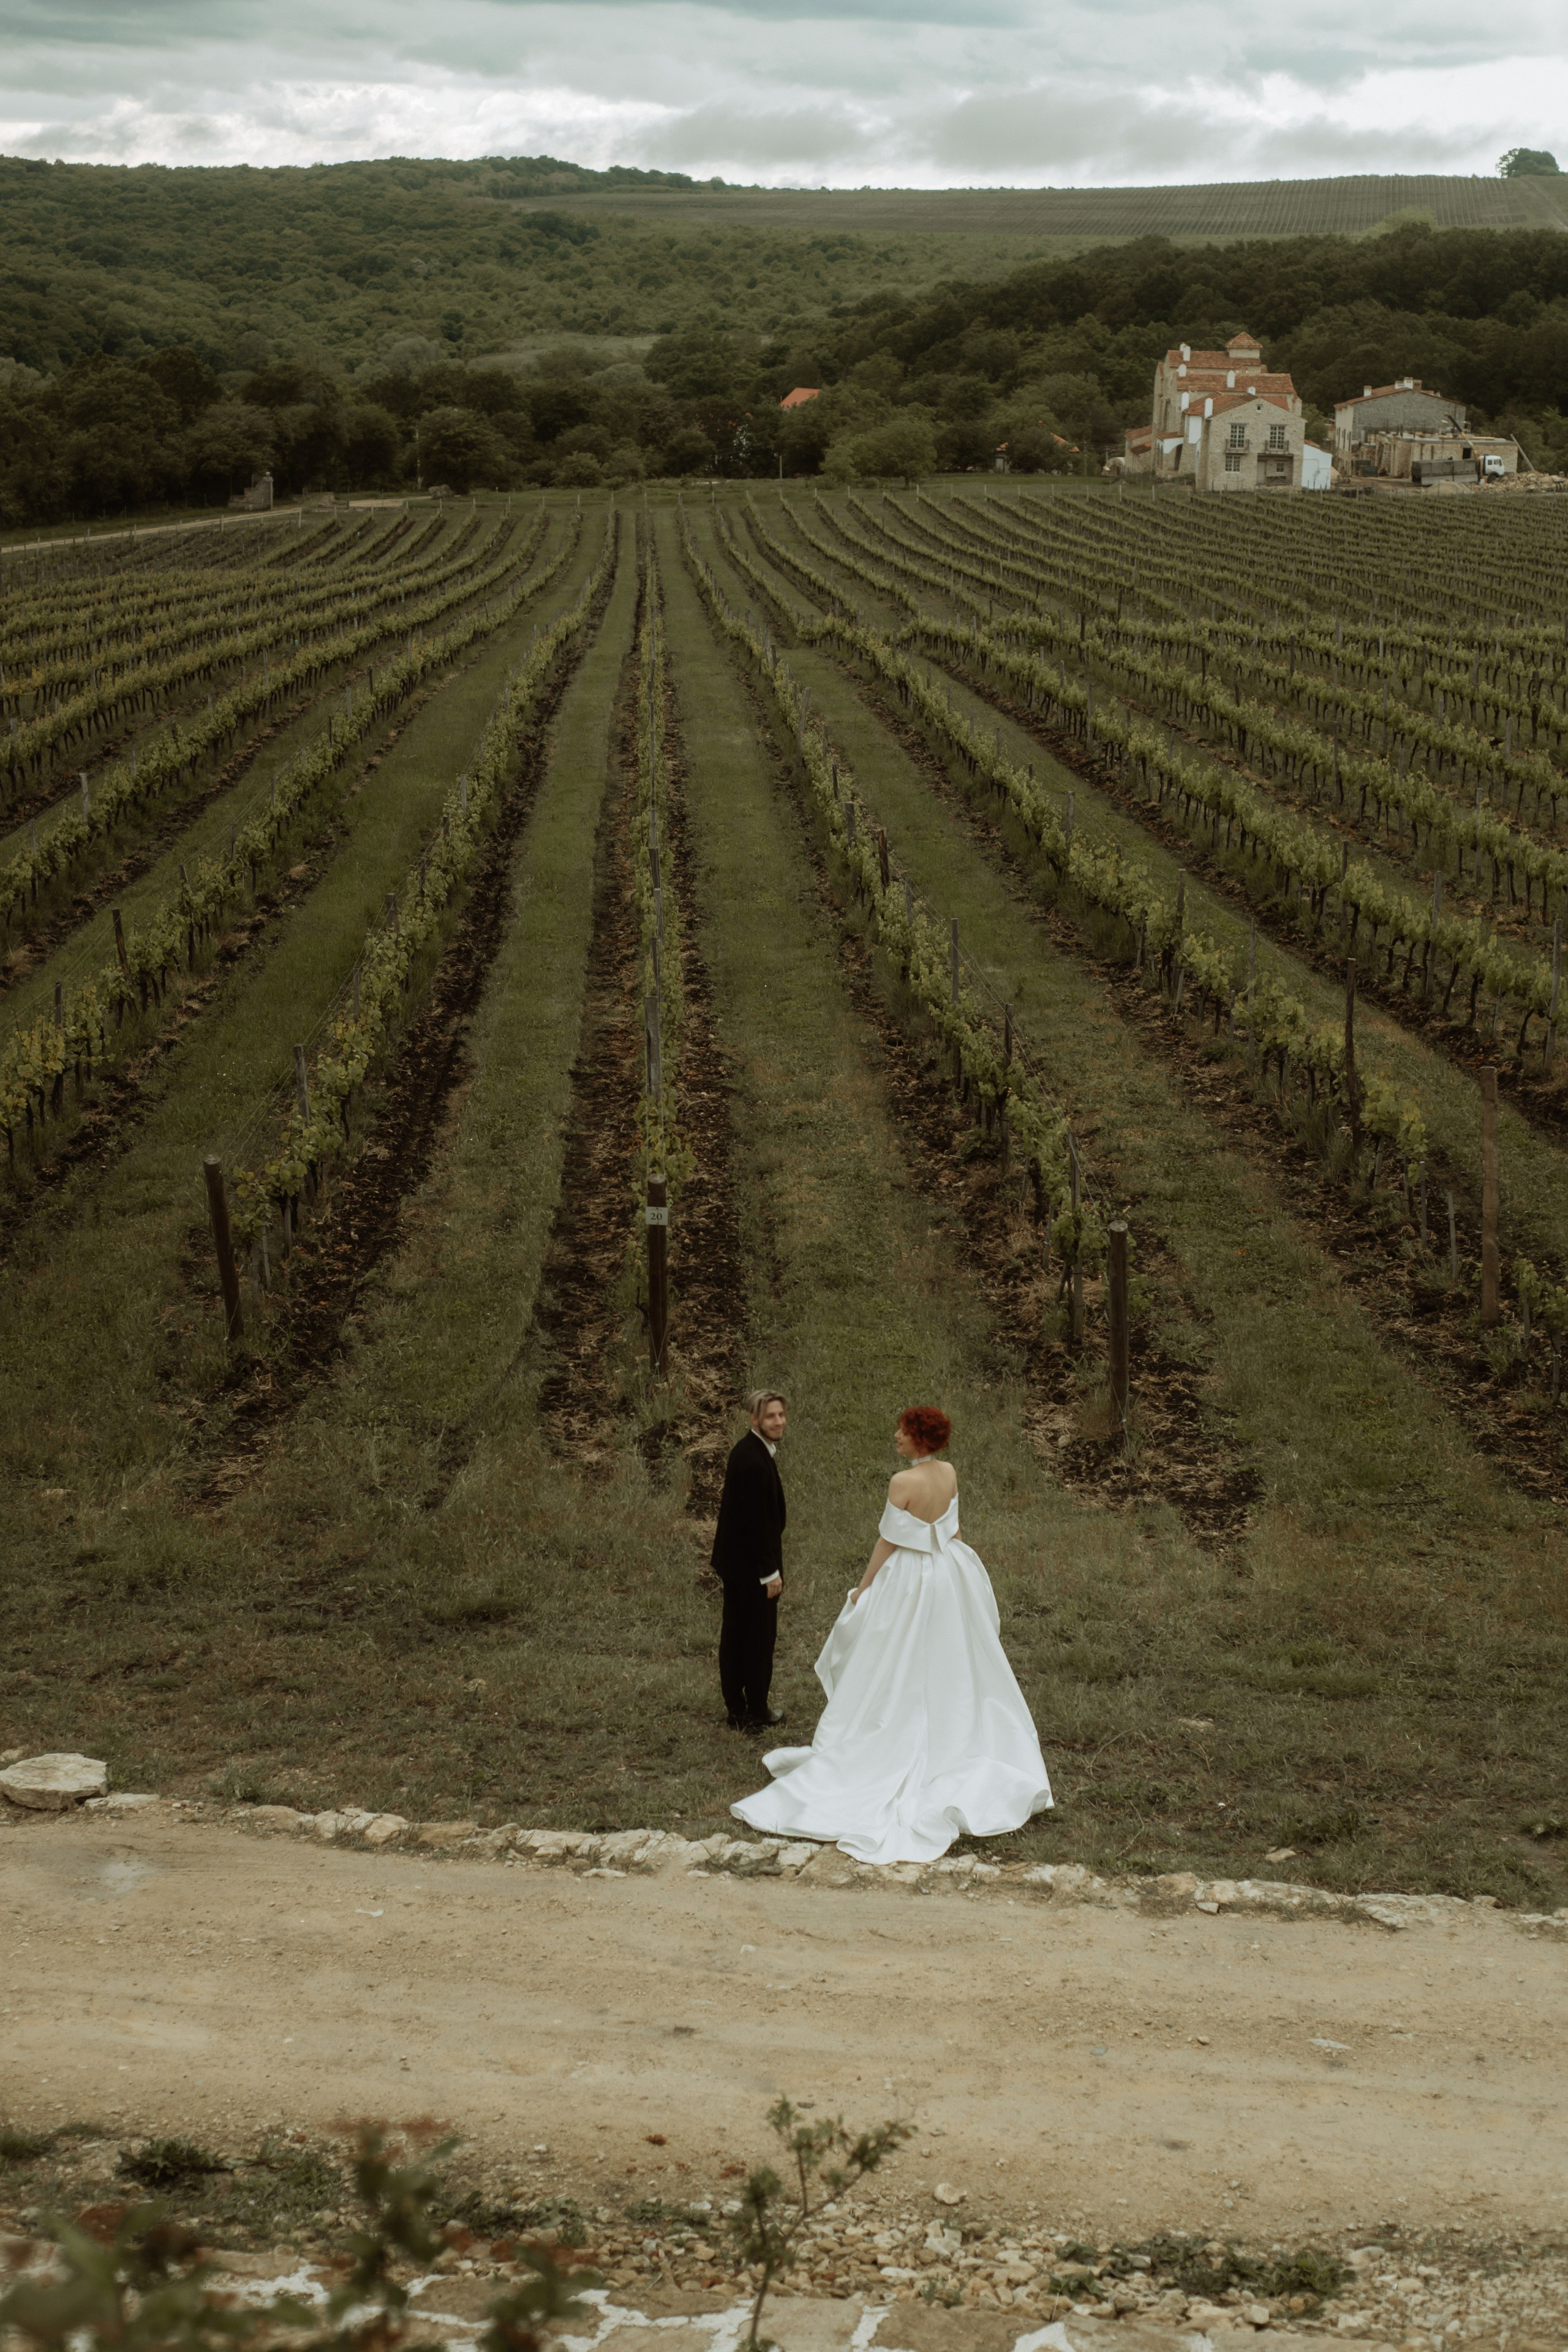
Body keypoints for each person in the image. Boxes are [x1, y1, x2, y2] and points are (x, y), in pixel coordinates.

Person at [732, 1405, 1052, 1865]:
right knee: (949, 1656)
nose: (896, 1437)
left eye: (902, 1432)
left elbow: (890, 1541)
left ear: (919, 1439)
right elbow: (954, 1529)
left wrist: (864, 1588)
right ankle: (948, 1727)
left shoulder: (903, 1484)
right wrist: (960, 1573)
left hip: (912, 1577)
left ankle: (892, 1732)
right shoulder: (949, 1472)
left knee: (893, 1655)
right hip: (946, 1570)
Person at [711, 1389, 789, 1733]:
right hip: (751, 1570)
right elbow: (757, 1525)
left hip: (738, 1565)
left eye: (781, 1415)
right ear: (753, 1419)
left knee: (738, 1635)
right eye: (771, 1416)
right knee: (756, 1638)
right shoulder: (754, 1461)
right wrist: (769, 1573)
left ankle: (738, 1709)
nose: (778, 1422)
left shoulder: (750, 1451)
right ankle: (753, 1710)